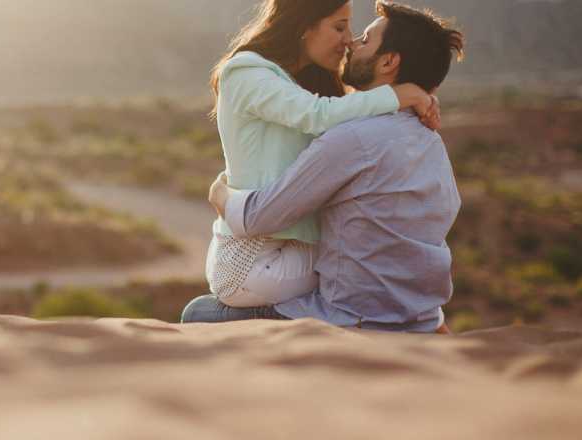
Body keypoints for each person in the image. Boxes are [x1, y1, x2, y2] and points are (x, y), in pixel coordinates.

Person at [183, 0, 465, 334]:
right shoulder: (428, 139)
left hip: (353, 317)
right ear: (305, 25)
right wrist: (430, 317)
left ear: (389, 61)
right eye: (341, 27)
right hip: (416, 312)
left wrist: (221, 195)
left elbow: (261, 215)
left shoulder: (350, 138)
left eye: (363, 37)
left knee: (198, 313)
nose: (350, 41)